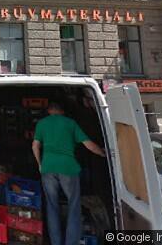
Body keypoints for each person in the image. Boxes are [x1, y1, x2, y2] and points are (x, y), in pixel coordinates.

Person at [32, 102, 106, 245]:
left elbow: (35, 145)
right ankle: (71, 242)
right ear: (62, 111)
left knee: (51, 206)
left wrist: (40, 164)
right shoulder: (70, 123)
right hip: (68, 168)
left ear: (49, 110)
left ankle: (56, 242)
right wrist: (103, 153)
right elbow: (88, 144)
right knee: (73, 205)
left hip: (48, 167)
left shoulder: (42, 123)